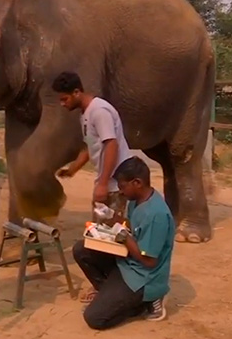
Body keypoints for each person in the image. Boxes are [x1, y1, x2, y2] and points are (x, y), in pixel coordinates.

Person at [72, 156, 175, 330]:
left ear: (137, 183)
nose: (120, 191)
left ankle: (144, 302)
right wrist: (113, 218)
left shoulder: (156, 215)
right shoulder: (137, 201)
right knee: (82, 249)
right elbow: (134, 227)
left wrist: (122, 236)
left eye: (122, 186)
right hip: (127, 262)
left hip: (142, 278)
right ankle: (111, 296)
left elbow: (149, 261)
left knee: (94, 318)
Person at [52, 71, 134, 211]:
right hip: (107, 182)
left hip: (116, 184)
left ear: (76, 92)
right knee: (98, 224)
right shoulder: (85, 113)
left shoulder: (99, 111)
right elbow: (89, 146)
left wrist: (103, 184)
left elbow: (111, 144)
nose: (62, 104)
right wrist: (72, 170)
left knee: (110, 224)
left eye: (65, 99)